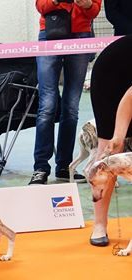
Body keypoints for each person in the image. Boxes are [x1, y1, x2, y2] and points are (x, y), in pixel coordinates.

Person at [29, 0, 101, 185]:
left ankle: (64, 166)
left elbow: (95, 10)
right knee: (47, 105)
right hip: (49, 33)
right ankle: (41, 168)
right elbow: (41, 6)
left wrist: (85, 4)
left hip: (81, 36)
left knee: (71, 107)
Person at [89, 35, 132, 246]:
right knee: (110, 150)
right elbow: (130, 98)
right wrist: (118, 135)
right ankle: (99, 224)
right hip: (112, 76)